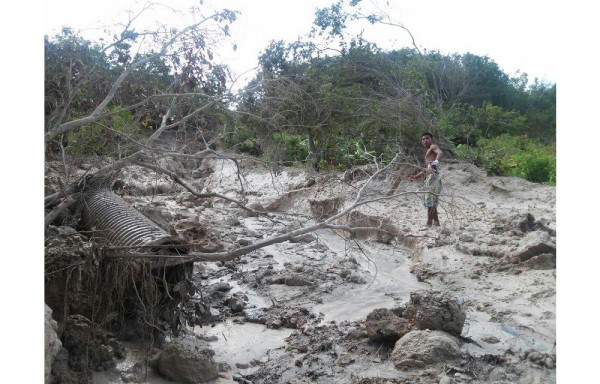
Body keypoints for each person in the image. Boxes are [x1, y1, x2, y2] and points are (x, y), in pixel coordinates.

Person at [408, 132, 443, 228]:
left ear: (431, 139)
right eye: (423, 139)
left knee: (430, 202)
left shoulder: (433, 146)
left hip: (434, 177)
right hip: (429, 178)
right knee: (431, 202)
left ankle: (429, 223)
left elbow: (440, 152)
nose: (425, 140)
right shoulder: (427, 153)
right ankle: (436, 223)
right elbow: (425, 170)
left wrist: (435, 162)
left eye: (427, 138)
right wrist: (416, 176)